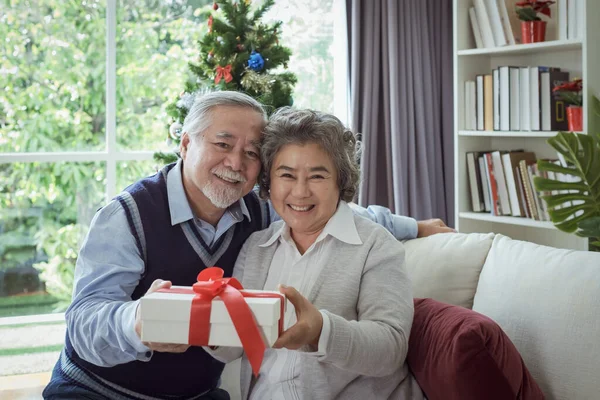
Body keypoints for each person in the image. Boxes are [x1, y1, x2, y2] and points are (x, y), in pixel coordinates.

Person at [43, 91, 451, 400]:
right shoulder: (126, 215)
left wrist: (416, 225)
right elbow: (83, 324)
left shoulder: (258, 212)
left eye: (251, 152)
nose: (236, 163)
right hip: (97, 390)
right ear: (186, 145)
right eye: (222, 144)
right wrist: (138, 322)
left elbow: (339, 211)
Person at [205, 107, 425, 399]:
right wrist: (205, 322)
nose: (300, 192)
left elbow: (390, 349)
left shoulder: (376, 246)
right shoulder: (256, 248)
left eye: (317, 176)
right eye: (287, 175)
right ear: (269, 183)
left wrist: (320, 330)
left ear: (341, 181)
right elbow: (233, 348)